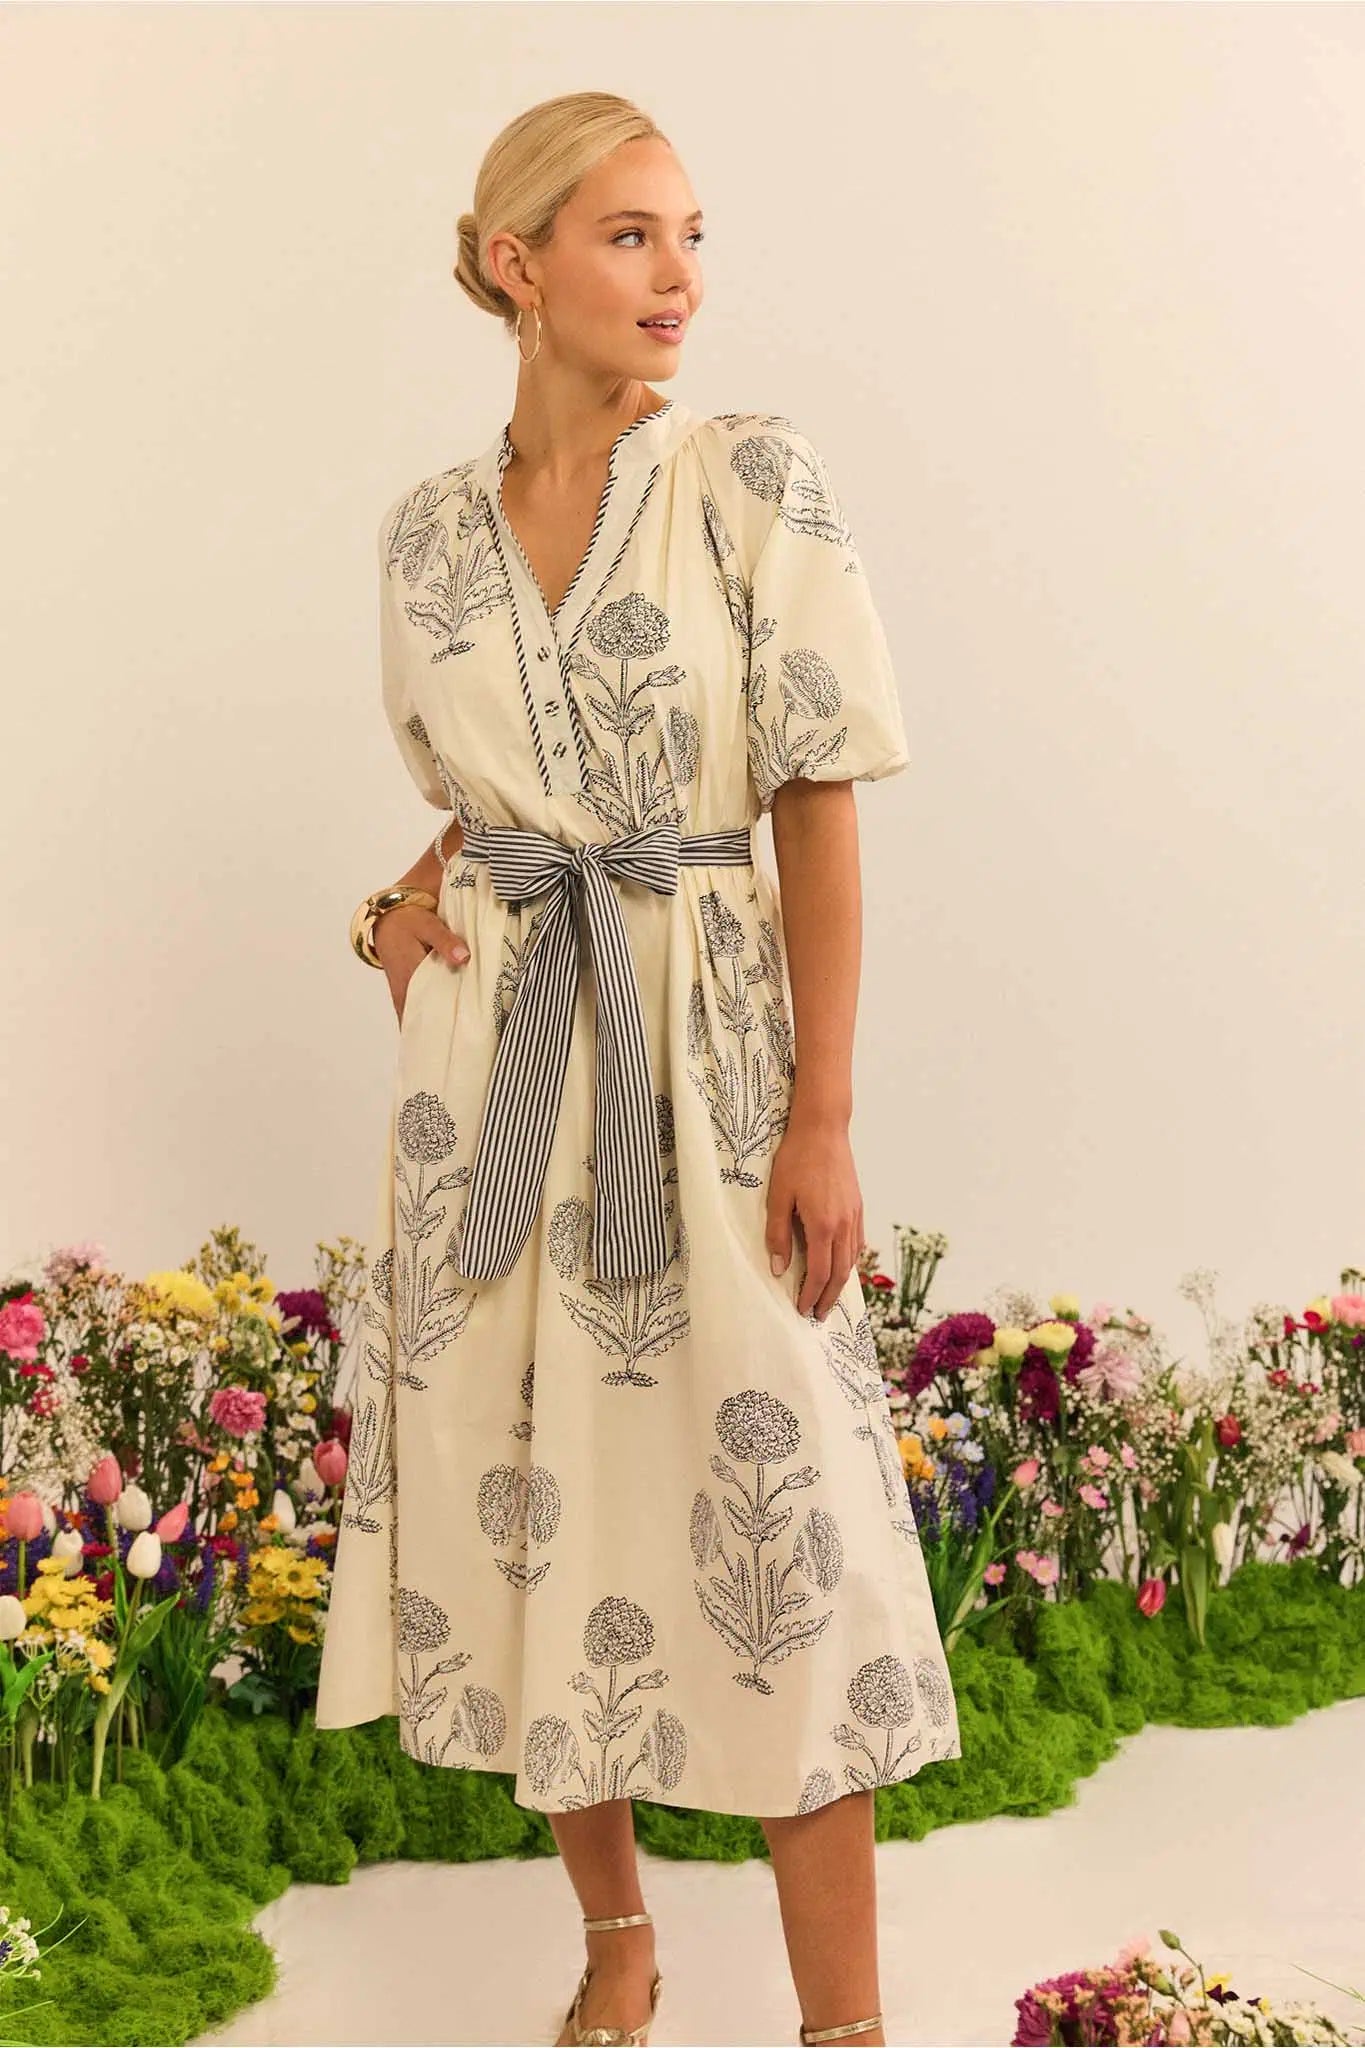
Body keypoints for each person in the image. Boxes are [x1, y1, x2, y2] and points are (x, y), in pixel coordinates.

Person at [317, 89, 962, 2048]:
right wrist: (388, 918)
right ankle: (614, 1938)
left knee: (789, 1532)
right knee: (537, 1493)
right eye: (625, 236)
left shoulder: (752, 482)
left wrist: (820, 1113)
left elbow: (813, 799)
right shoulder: (426, 532)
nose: (678, 275)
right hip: (495, 1079)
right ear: (514, 264)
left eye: (687, 233)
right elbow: (462, 790)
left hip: (706, 1052)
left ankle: (839, 2022)